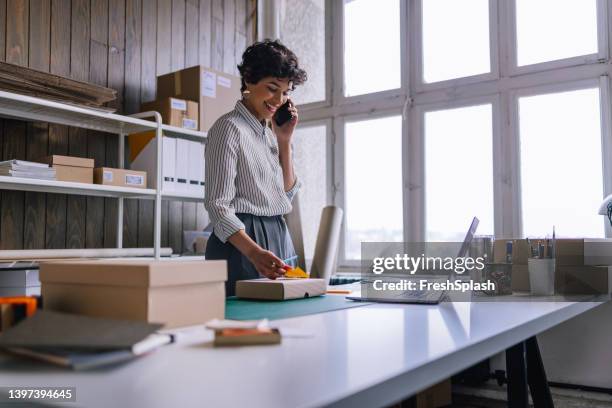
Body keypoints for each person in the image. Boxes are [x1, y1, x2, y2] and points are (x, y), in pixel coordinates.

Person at [204, 39, 307, 296]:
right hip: (241, 243)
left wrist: (285, 141)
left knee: (282, 323)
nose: (279, 100)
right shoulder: (228, 128)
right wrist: (253, 252)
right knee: (240, 324)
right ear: (249, 80)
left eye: (286, 92)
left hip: (278, 235)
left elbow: (285, 197)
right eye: (272, 88)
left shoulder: (271, 134)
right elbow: (218, 207)